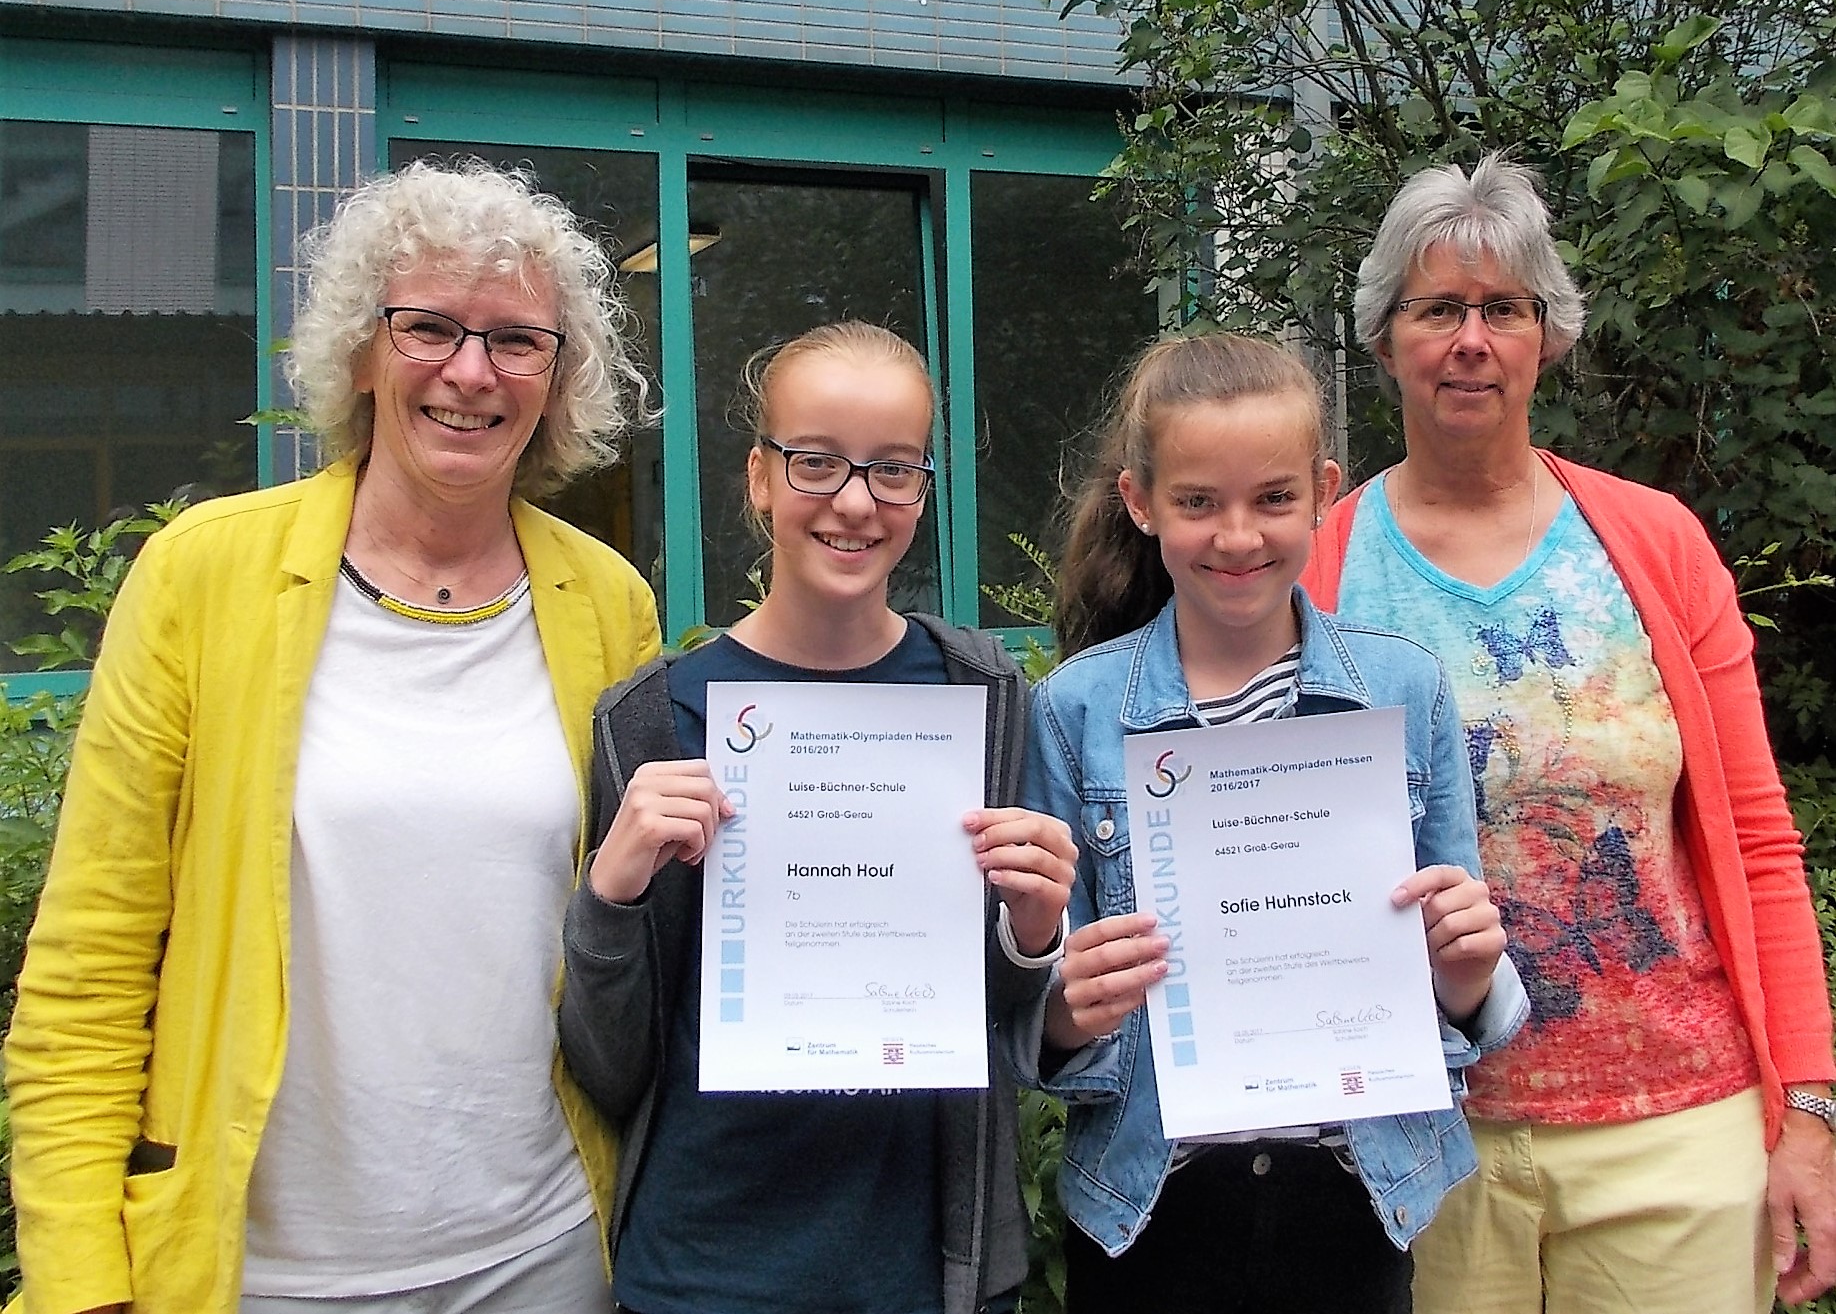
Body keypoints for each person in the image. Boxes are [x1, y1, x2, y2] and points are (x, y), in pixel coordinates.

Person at [4, 160, 662, 1314]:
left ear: (560, 381)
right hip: (269, 1272)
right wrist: (75, 1274)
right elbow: (90, 962)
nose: (471, 371)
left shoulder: (608, 605)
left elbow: (630, 935)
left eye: (518, 341)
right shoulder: (203, 575)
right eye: (429, 328)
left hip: (544, 1248)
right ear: (362, 351)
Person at [1300, 152, 1836, 1312]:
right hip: (1427, 1143)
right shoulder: (1320, 569)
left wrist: (1810, 1108)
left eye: (1504, 308)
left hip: (1678, 1137)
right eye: (1437, 308)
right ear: (1385, 334)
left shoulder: (1656, 544)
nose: (1471, 339)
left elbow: (1756, 835)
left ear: (1550, 335)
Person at [556, 319, 1078, 1314]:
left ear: (923, 491)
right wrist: (613, 893)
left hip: (925, 1265)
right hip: (705, 1266)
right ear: (759, 478)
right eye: (816, 462)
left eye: (892, 470)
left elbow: (997, 1008)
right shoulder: (655, 717)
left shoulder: (985, 694)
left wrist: (1033, 928)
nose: (853, 501)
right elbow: (610, 1064)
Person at [1019, 331, 1528, 1313]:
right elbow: (1046, 1004)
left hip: (1352, 1196)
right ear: (1141, 502)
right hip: (1150, 1206)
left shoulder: (1404, 689)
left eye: (1273, 499)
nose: (1238, 536)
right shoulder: (1078, 710)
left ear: (1324, 492)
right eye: (1198, 503)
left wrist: (1466, 978)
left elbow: (1459, 968)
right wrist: (1063, 1009)